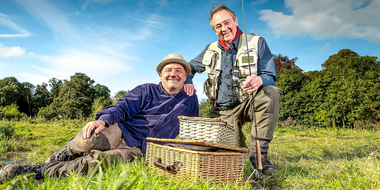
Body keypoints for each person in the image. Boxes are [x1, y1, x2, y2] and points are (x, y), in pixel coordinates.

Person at [0, 53, 199, 183]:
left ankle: (33, 171)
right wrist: (103, 119)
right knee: (90, 138)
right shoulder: (146, 90)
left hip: (140, 148)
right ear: (160, 74)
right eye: (168, 70)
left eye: (179, 70)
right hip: (123, 130)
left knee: (97, 163)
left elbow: (193, 129)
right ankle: (64, 153)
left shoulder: (190, 99)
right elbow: (123, 105)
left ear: (185, 76)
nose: (173, 74)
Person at [183, 4, 282, 175]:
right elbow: (189, 67)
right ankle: (236, 147)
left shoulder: (257, 42)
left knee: (271, 93)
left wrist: (260, 80)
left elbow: (270, 76)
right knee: (212, 153)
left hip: (249, 102)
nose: (223, 29)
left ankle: (259, 156)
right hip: (222, 111)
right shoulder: (210, 49)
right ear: (214, 30)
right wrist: (189, 80)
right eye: (218, 26)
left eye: (226, 22)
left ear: (235, 21)